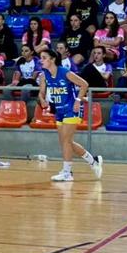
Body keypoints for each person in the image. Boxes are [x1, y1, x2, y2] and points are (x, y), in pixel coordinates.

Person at [36, 49, 103, 183]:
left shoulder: (65, 72)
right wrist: (42, 100)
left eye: (44, 58)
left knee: (66, 141)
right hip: (59, 111)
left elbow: (84, 84)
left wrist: (78, 101)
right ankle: (93, 161)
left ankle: (67, 173)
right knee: (66, 142)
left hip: (72, 109)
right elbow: (41, 93)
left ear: (53, 59)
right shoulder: (44, 75)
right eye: (41, 58)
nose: (41, 60)